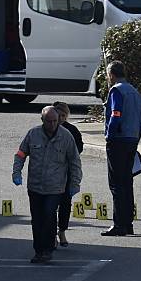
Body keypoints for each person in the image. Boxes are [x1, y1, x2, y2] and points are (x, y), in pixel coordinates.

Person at [12, 106, 82, 263]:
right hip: (35, 186)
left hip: (55, 187)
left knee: (49, 216)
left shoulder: (66, 136)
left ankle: (48, 250)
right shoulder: (33, 134)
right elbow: (21, 154)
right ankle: (39, 250)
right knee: (37, 219)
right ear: (42, 120)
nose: (52, 125)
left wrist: (75, 183)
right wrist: (16, 172)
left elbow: (74, 161)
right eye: (48, 121)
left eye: (55, 121)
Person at [101, 60, 141, 236]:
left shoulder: (116, 90)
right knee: (127, 182)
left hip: (118, 140)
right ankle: (128, 223)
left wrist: (109, 135)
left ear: (111, 74)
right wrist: (136, 139)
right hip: (132, 139)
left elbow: (115, 114)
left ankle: (119, 224)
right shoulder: (134, 91)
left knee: (116, 183)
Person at [53, 101, 83, 247]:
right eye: (59, 115)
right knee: (51, 205)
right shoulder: (47, 129)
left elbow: (79, 150)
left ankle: (62, 231)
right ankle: (51, 233)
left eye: (64, 116)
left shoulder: (72, 130)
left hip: (67, 173)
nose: (61, 119)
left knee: (65, 204)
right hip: (51, 174)